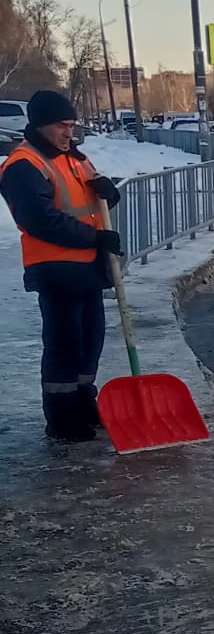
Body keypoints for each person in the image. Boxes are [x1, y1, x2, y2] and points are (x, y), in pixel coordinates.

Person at [0, 90, 121, 442]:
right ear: (40, 125)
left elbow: (93, 197)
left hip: (86, 268)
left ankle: (84, 406)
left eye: (71, 125)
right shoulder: (24, 165)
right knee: (65, 344)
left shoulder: (73, 157)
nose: (68, 133)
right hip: (55, 268)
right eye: (61, 126)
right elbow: (40, 220)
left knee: (90, 341)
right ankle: (62, 419)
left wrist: (109, 190)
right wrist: (94, 238)